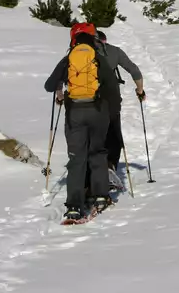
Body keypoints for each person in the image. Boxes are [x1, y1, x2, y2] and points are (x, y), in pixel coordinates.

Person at [44, 23, 122, 222]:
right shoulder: (98, 58)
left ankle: (74, 207)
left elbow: (49, 85)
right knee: (97, 153)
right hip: (98, 113)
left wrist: (63, 88)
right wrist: (111, 112)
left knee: (77, 159)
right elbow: (112, 87)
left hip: (75, 114)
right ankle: (101, 196)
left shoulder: (69, 58)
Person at [96, 30, 146, 173]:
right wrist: (140, 90)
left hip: (86, 100)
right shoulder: (115, 51)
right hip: (111, 99)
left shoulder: (80, 53)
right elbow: (134, 70)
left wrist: (60, 94)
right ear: (105, 41)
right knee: (113, 133)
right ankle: (110, 165)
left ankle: (91, 169)